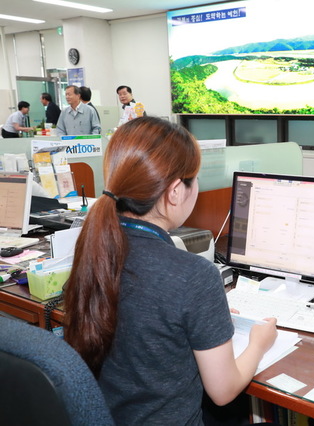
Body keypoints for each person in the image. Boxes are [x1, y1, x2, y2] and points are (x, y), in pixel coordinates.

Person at [63, 116, 277, 424]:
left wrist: (206, 321)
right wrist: (259, 343)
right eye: (196, 178)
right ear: (176, 191)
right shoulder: (194, 275)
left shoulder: (96, 249)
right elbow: (223, 390)